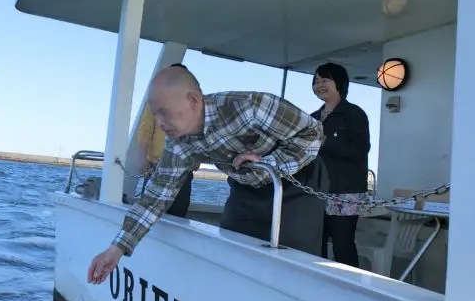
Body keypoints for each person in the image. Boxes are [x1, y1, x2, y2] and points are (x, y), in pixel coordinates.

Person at [88, 65, 326, 284]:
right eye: (155, 115)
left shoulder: (250, 107)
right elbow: (155, 197)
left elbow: (313, 133)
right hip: (245, 186)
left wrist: (271, 164)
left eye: (164, 113)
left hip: (297, 182)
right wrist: (116, 249)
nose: (159, 123)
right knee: (231, 250)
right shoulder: (179, 144)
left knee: (294, 262)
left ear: (193, 100)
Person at [311, 62, 371, 268]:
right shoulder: (312, 118)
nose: (319, 85)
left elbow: (360, 150)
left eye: (325, 80)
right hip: (315, 191)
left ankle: (350, 284)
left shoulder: (354, 114)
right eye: (316, 81)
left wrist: (326, 141)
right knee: (314, 243)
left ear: (340, 83)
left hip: (346, 193)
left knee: (343, 246)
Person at [136, 62, 193, 217]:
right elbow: (145, 131)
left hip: (183, 172)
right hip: (157, 168)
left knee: (178, 215)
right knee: (149, 214)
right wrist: (142, 160)